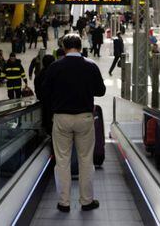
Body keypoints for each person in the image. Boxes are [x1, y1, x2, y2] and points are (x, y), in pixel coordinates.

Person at [42, 34, 106, 212]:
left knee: (62, 161)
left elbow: (45, 92)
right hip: (84, 118)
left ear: (63, 47)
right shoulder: (90, 66)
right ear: (80, 46)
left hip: (62, 118)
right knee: (86, 160)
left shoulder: (55, 67)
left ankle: (64, 202)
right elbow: (100, 91)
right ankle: (86, 201)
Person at [34, 55, 56, 134]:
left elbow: (37, 92)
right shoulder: (56, 74)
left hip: (44, 105)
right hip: (55, 106)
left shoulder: (39, 75)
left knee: (47, 124)